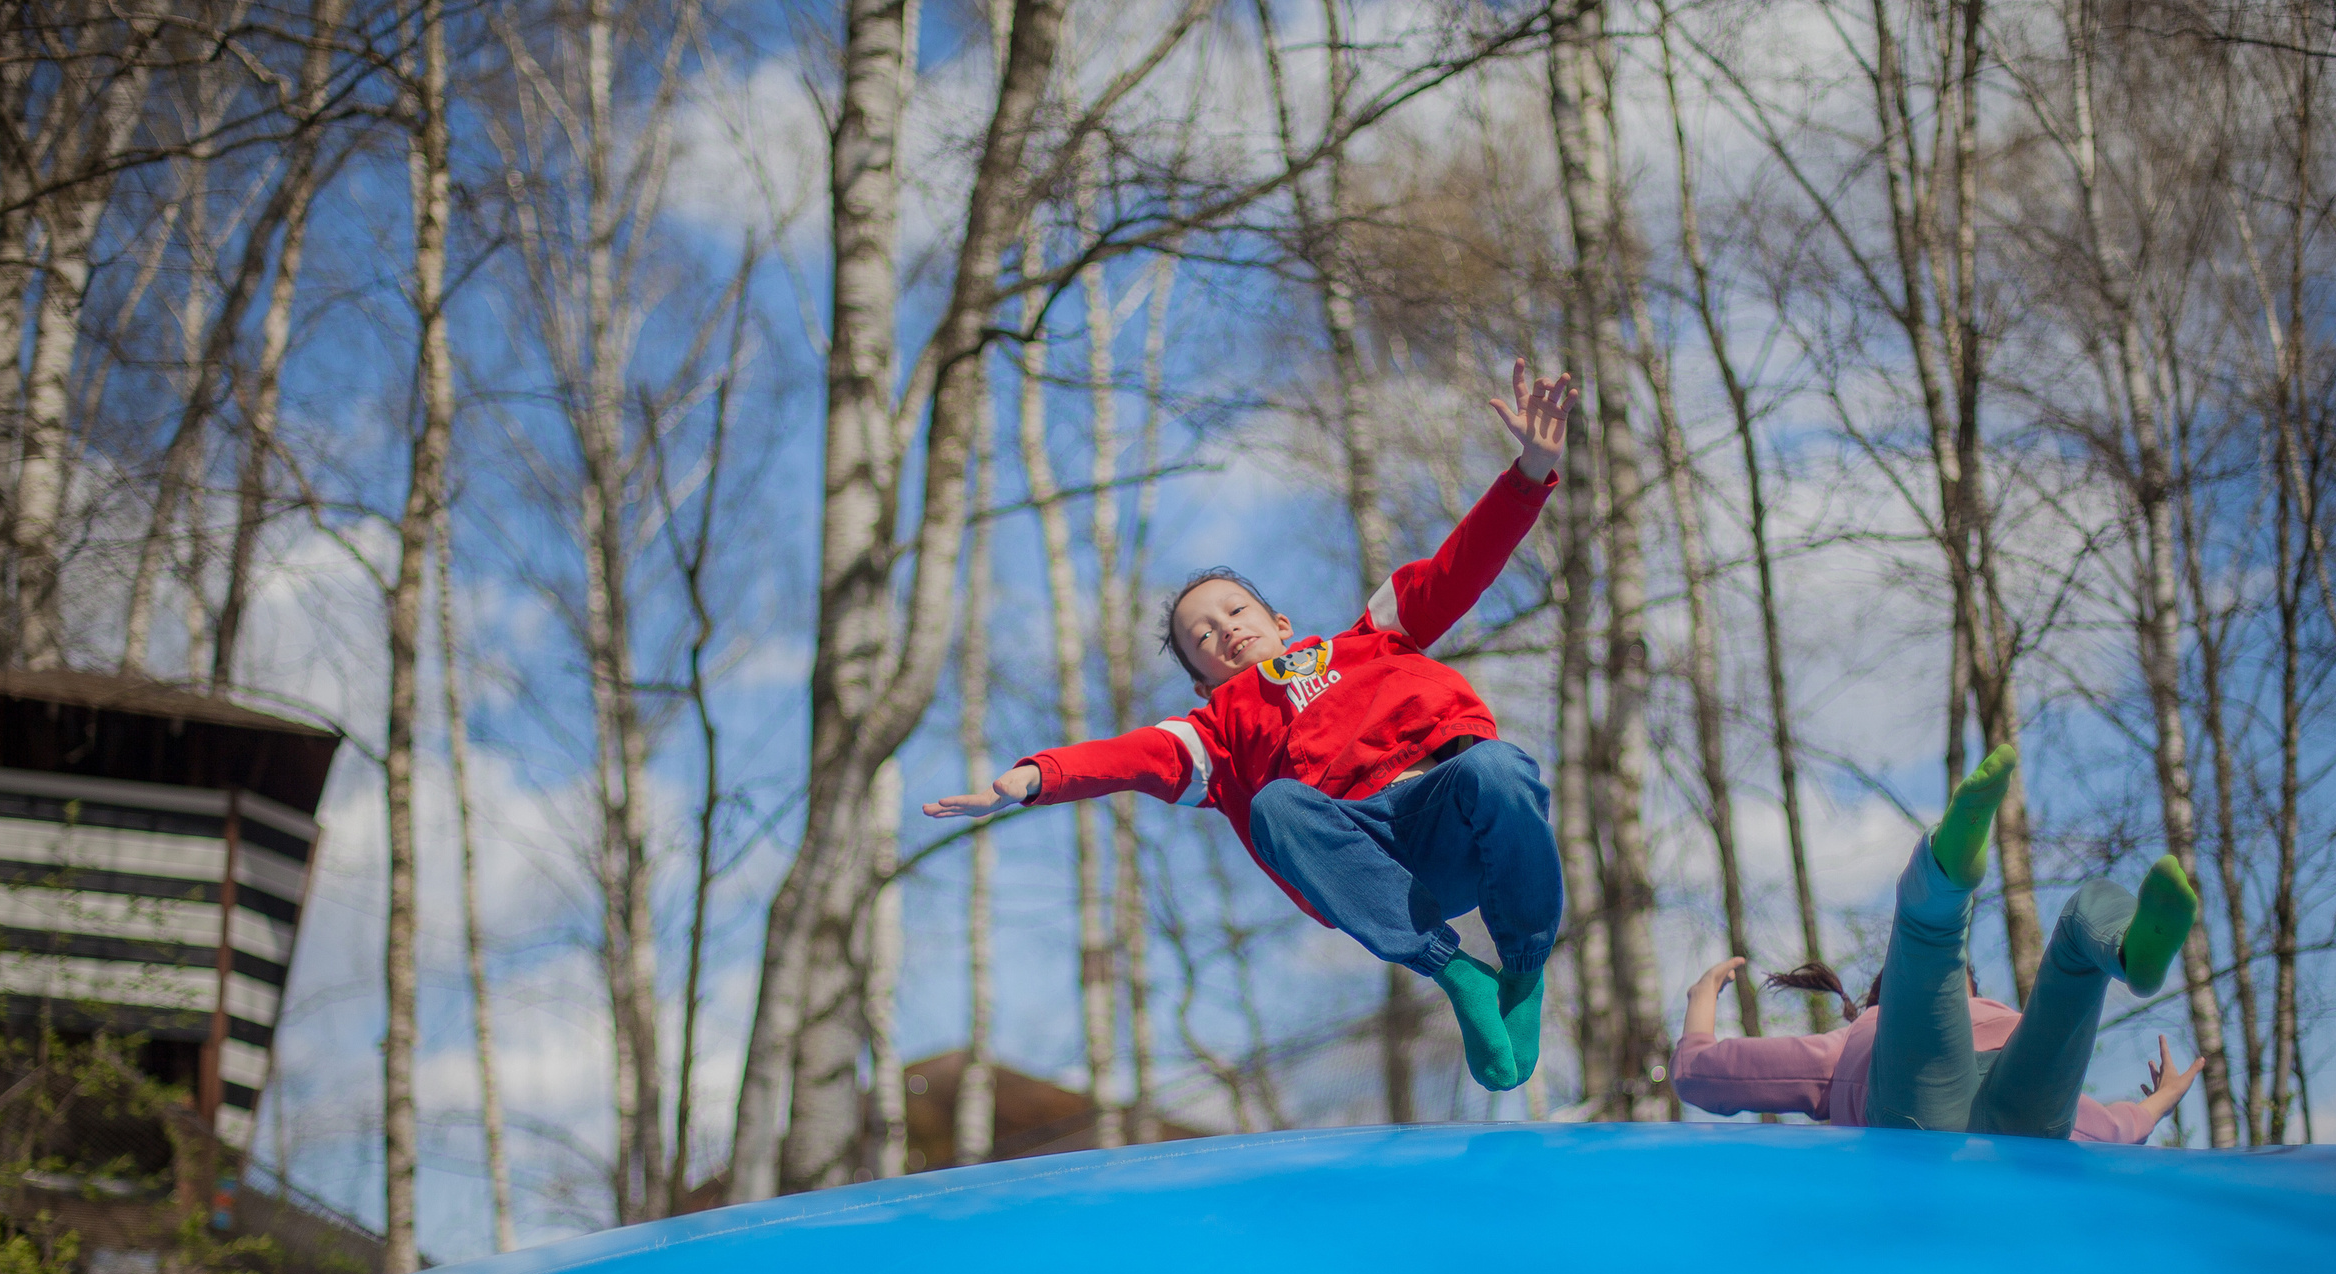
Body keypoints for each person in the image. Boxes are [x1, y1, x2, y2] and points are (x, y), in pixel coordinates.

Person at [924, 359, 1578, 1094]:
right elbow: (1124, 756)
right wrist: (1034, 775)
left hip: (1449, 812)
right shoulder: (1214, 733)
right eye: (1202, 636)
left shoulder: (1374, 635)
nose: (1224, 631)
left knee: (1499, 766)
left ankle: (1521, 970)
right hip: (1373, 860)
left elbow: (1462, 565)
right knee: (1275, 805)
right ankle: (1456, 971)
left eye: (1236, 612)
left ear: (1281, 622)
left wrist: (1529, 473)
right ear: (1202, 681)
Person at [1674, 745, 2206, 1142]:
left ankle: (1945, 881)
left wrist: (1700, 1004)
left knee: (1932, 936)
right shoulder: (2006, 1022)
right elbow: (2105, 1126)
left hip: (1921, 1116)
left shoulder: (1859, 1035)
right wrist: (2158, 1104)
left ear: (1885, 1002)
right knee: (2079, 926)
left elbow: (1705, 1076)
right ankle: (2120, 946)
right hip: (2022, 1126)